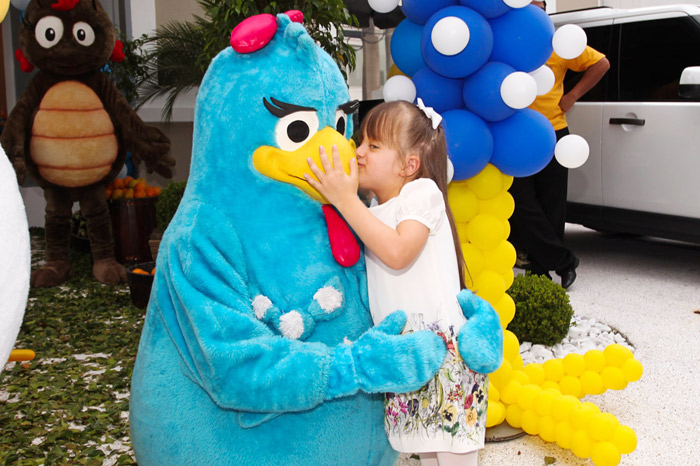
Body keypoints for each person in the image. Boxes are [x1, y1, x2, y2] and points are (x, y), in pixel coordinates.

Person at [305, 100, 488, 466]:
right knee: (424, 449)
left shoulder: (421, 194)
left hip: (443, 356)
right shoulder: (373, 212)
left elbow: (399, 252)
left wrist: (344, 200)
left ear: (409, 165)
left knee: (452, 454)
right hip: (408, 354)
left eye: (373, 146)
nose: (358, 152)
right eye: (360, 142)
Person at [509, 0, 610, 289]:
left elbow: (600, 63)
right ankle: (564, 260)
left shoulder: (557, 41)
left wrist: (573, 96)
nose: (533, 12)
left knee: (552, 204)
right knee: (520, 204)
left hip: (554, 133)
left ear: (545, 11)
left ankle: (541, 272)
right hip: (517, 135)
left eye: (539, 7)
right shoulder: (510, 40)